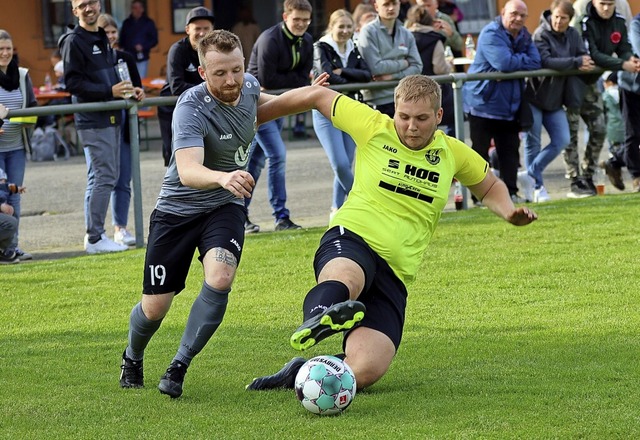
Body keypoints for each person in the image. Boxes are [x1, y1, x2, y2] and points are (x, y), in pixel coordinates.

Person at [245, 74, 538, 393]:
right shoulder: (374, 126)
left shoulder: (452, 153)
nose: (411, 126)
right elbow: (318, 96)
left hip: (395, 273)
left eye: (422, 119)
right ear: (395, 110)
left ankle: (301, 371)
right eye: (404, 117)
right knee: (348, 279)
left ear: (439, 116)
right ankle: (317, 318)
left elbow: (490, 185)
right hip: (352, 238)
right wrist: (259, 116)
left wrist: (509, 212)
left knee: (367, 370)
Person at [118, 29, 327, 399]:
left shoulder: (246, 87)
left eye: (237, 69)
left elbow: (269, 105)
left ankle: (178, 366)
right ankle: (132, 356)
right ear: (202, 73)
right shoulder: (190, 106)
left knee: (220, 277)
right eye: (220, 73)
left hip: (224, 207)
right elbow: (187, 170)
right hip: (177, 213)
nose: (231, 80)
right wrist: (224, 176)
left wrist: (313, 96)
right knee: (154, 309)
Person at [59, 0, 139, 254]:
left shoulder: (102, 35)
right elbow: (72, 83)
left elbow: (109, 75)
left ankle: (96, 236)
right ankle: (94, 237)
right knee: (103, 176)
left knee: (104, 176)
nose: (88, 8)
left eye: (92, 2)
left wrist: (128, 90)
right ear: (75, 11)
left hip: (111, 115)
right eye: (82, 5)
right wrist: (109, 90)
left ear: (100, 5)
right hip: (92, 119)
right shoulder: (73, 41)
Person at [244, 0, 314, 232]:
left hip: (282, 103)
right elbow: (267, 80)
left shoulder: (308, 41)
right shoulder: (270, 39)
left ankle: (239, 214)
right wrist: (295, 82)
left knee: (256, 161)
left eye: (305, 20)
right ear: (286, 17)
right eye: (297, 19)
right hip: (258, 104)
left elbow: (303, 78)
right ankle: (281, 216)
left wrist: (293, 82)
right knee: (278, 155)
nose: (301, 24)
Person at [463, 0, 541, 203]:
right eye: (514, 13)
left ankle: (511, 194)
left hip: (509, 106)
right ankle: (479, 197)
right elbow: (503, 63)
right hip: (482, 104)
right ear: (503, 12)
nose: (518, 19)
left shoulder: (524, 34)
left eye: (523, 16)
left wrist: (512, 63)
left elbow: (535, 61)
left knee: (510, 153)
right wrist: (516, 63)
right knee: (479, 155)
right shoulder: (490, 33)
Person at [566, 0, 640, 196]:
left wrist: (629, 58)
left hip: (591, 83)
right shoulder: (584, 21)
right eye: (602, 3)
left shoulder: (619, 21)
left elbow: (623, 46)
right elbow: (594, 54)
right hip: (571, 81)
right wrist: (623, 65)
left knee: (599, 130)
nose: (606, 8)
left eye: (610, 3)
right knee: (570, 135)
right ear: (594, 2)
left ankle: (589, 175)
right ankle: (575, 180)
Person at [523, 0, 594, 203]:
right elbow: (546, 61)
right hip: (534, 97)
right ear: (551, 15)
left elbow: (582, 53)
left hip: (556, 100)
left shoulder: (573, 34)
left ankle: (530, 174)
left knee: (563, 139)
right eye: (556, 16)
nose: (559, 21)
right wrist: (576, 62)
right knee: (533, 142)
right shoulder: (540, 34)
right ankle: (537, 187)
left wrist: (583, 59)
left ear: (569, 19)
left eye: (563, 18)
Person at [312, 9, 372, 218]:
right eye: (341, 27)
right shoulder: (321, 46)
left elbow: (367, 75)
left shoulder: (353, 46)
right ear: (332, 27)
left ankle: (337, 209)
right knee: (340, 163)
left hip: (350, 109)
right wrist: (351, 82)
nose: (345, 31)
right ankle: (364, 203)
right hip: (326, 111)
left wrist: (343, 72)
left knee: (347, 163)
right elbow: (325, 76)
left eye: (348, 27)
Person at [96, 13, 145, 246]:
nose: (111, 36)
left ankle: (120, 227)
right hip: (102, 125)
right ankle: (96, 232)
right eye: (106, 32)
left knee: (124, 179)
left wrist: (138, 93)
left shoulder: (125, 58)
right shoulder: (94, 61)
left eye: (113, 32)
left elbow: (138, 88)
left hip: (126, 124)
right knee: (103, 178)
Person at [157, 6, 214, 166]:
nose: (202, 33)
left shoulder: (214, 51)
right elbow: (177, 86)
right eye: (197, 29)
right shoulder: (178, 50)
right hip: (173, 110)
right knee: (175, 160)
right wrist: (211, 90)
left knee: (204, 158)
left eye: (206, 28)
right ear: (187, 29)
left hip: (202, 109)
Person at [0, 30, 37, 261]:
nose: (5, 53)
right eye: (0, 49)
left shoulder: (22, 75)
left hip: (16, 147)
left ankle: (12, 246)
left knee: (14, 197)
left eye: (8, 49)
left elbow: (32, 105)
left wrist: (19, 117)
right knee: (0, 198)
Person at [357, 0, 423, 117]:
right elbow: (376, 68)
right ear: (376, 7)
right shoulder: (368, 32)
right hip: (377, 100)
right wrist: (404, 63)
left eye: (394, 4)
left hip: (405, 97)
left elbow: (417, 67)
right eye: (386, 4)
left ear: (399, 5)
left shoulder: (406, 33)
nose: (391, 8)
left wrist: (392, 76)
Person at [405, 4, 455, 134]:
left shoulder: (403, 38)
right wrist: (449, 65)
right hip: (432, 87)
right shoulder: (435, 39)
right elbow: (439, 68)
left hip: (408, 87)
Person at [608, 13, 640, 192]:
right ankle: (637, 176)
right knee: (633, 133)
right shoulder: (636, 24)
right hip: (632, 86)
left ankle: (616, 160)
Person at [118, 0, 158, 79]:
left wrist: (143, 46)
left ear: (142, 9)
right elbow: (122, 40)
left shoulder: (148, 22)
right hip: (128, 56)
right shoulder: (126, 23)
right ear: (131, 9)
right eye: (135, 8)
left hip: (142, 57)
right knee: (128, 80)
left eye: (139, 8)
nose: (137, 10)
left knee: (141, 80)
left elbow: (154, 40)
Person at [599, 71, 626, 191]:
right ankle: (614, 165)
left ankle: (613, 164)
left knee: (618, 151)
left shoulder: (606, 95)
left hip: (613, 130)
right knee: (628, 151)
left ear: (609, 82)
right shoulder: (624, 92)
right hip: (627, 128)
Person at [231, 3, 261, 70]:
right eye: (243, 13)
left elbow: (258, 42)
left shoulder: (254, 27)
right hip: (240, 54)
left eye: (246, 13)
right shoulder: (237, 27)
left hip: (252, 54)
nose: (245, 15)